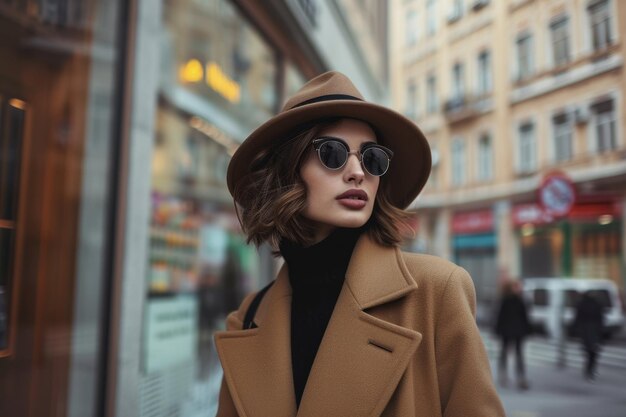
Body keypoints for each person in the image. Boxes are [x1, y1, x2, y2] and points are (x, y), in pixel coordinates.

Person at [214, 71, 505, 416]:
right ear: (288, 171)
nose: (357, 172)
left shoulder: (436, 291)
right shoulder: (249, 315)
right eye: (333, 153)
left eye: (372, 158)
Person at [494, 279, 531, 390]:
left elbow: (525, 317)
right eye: (517, 286)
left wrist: (528, 329)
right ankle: (503, 375)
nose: (519, 288)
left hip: (518, 331)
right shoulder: (506, 300)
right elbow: (500, 316)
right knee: (504, 353)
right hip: (507, 330)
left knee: (519, 354)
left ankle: (521, 377)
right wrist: (498, 329)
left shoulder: (521, 300)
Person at [573, 291, 605, 381]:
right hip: (594, 330)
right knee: (593, 351)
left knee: (588, 351)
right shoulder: (597, 304)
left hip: (585, 330)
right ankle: (591, 369)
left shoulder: (581, 303)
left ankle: (589, 369)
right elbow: (601, 318)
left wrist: (575, 329)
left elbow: (577, 317)